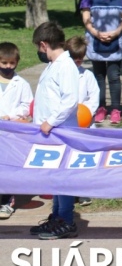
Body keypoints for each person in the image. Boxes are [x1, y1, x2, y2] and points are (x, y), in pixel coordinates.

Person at [28, 22, 80, 240]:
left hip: (60, 130)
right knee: (54, 177)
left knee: (62, 177)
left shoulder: (66, 66)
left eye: (39, 48)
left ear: (43, 44)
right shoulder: (54, 65)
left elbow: (69, 100)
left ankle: (66, 220)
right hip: (50, 132)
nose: (40, 52)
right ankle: (57, 215)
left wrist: (50, 121)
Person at [65, 36, 101, 206]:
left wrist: (86, 112)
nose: (78, 62)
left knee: (84, 158)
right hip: (67, 123)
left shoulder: (87, 75)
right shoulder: (62, 74)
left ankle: (85, 190)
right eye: (74, 59)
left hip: (85, 124)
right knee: (69, 159)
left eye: (80, 59)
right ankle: (70, 191)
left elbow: (94, 97)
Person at [0, 42, 33, 220]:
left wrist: (11, 115)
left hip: (11, 130)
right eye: (4, 63)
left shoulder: (22, 83)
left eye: (12, 63)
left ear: (17, 62)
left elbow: (27, 105)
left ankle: (7, 201)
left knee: (8, 166)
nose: (8, 67)